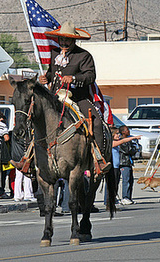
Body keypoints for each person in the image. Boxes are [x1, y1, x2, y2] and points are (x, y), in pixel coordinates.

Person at [37, 20, 111, 174]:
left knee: (96, 123)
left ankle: (99, 159)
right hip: (55, 98)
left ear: (73, 40)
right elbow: (52, 73)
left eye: (67, 40)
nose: (64, 42)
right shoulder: (54, 54)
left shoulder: (83, 56)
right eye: (62, 39)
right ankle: (29, 158)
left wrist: (74, 78)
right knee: (34, 119)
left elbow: (90, 76)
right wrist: (46, 78)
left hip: (77, 98)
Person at [118, 125, 141, 205]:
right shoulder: (122, 141)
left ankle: (129, 197)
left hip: (129, 162)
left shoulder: (128, 140)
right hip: (124, 163)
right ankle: (125, 197)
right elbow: (128, 150)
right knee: (126, 181)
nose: (129, 131)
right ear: (123, 132)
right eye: (127, 130)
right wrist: (134, 149)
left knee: (131, 181)